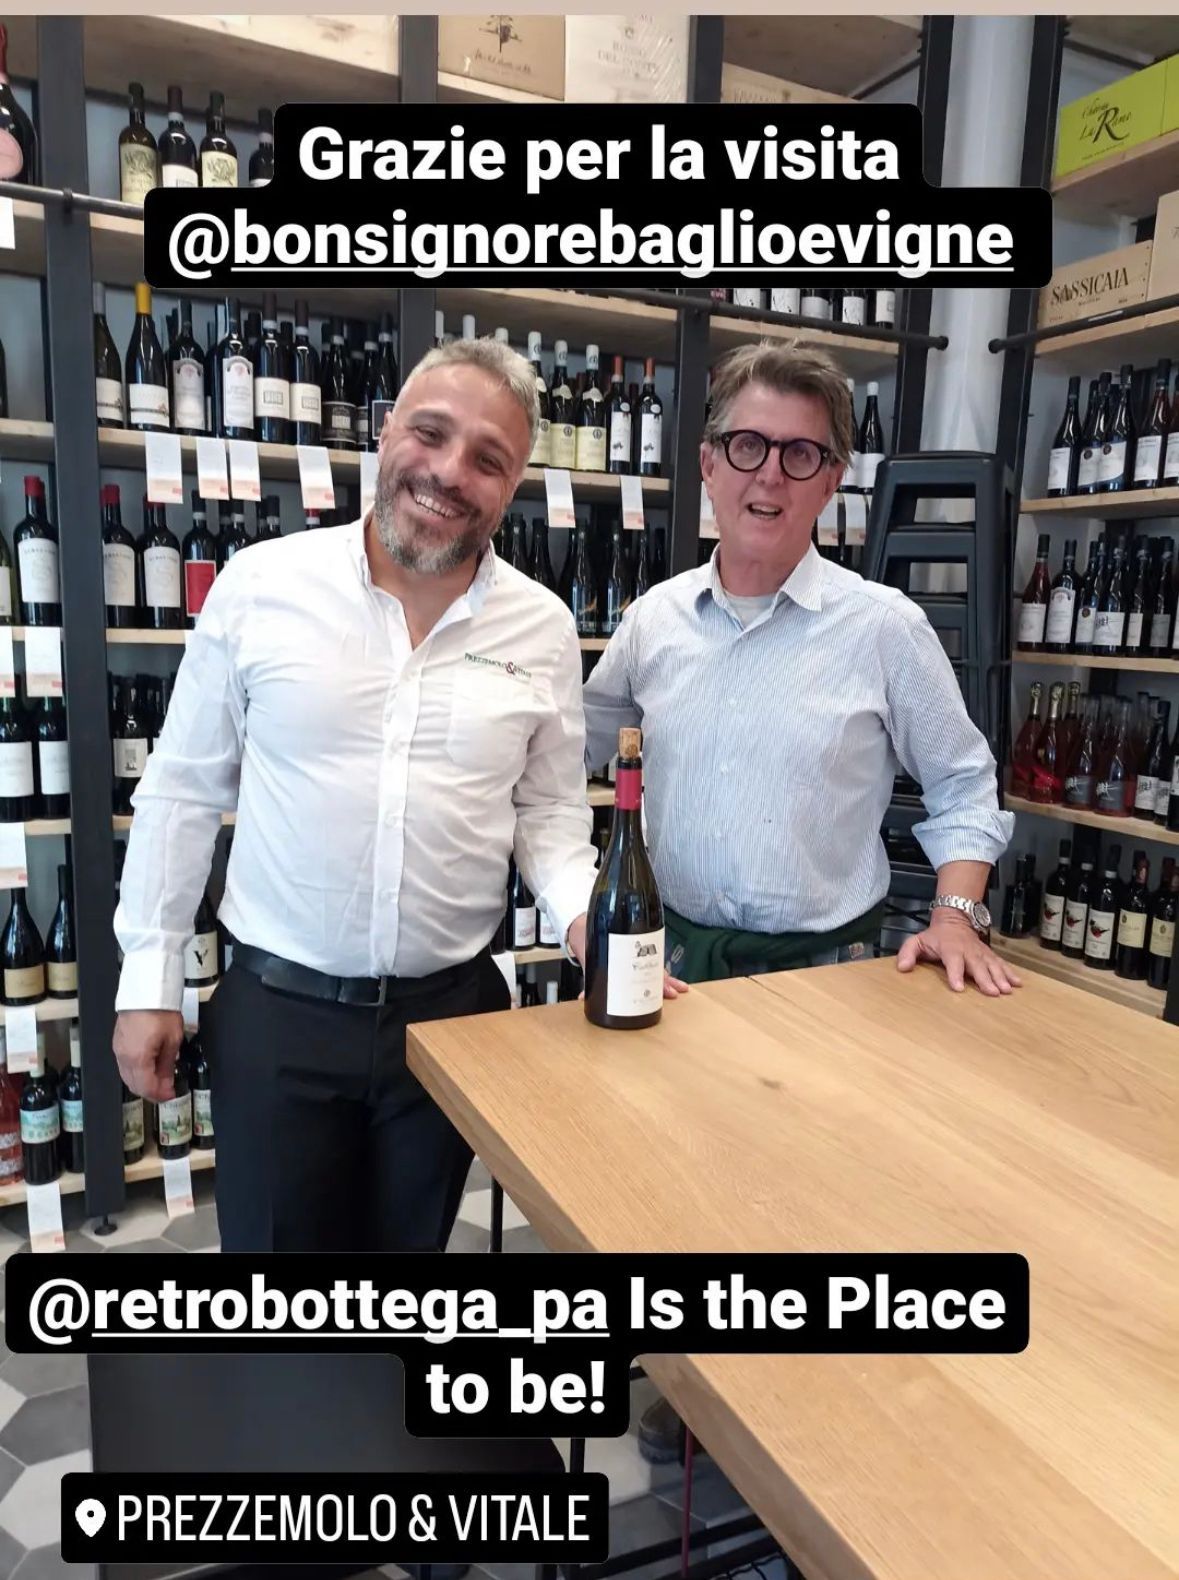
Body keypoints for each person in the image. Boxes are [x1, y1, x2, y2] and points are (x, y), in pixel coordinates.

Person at [582, 339, 1020, 1459]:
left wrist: (956, 911)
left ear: (834, 479)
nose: (768, 475)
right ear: (706, 463)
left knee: (799, 1209)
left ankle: (795, 1420)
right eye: (746, 446)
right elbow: (585, 739)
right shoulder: (653, 620)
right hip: (675, 967)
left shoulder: (883, 628)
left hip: (825, 979)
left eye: (801, 453)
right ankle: (693, 1381)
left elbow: (964, 781)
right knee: (673, 1186)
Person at [113, 336, 603, 1255]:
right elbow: (180, 791)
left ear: (513, 485)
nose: (449, 473)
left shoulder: (541, 627)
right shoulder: (263, 585)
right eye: (431, 433)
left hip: (452, 1021)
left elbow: (546, 813)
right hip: (278, 1014)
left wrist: (586, 919)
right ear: (384, 433)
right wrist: (149, 980)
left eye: (488, 459)